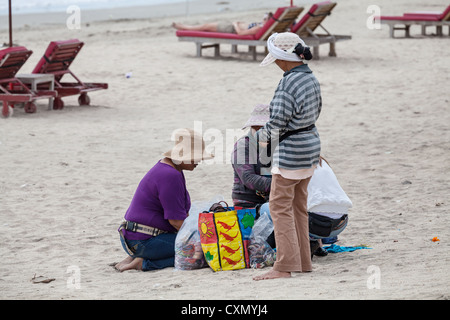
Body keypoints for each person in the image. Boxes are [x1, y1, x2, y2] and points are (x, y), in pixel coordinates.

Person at [252, 32, 321, 281]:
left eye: (277, 60)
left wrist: (260, 140)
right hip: (310, 147)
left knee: (279, 207)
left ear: (283, 58)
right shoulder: (310, 78)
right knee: (299, 207)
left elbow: (278, 122)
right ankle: (303, 261)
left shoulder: (287, 83)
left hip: (291, 152)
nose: (277, 65)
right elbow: (316, 111)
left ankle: (284, 266)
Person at [115, 128, 213, 272]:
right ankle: (143, 263)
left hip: (134, 238)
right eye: (195, 156)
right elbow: (176, 221)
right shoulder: (170, 175)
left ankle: (137, 256)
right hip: (142, 241)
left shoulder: (171, 169)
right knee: (202, 253)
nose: (199, 161)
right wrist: (203, 239)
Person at [231, 104, 272, 209]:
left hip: (272, 198)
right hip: (247, 202)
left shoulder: (274, 143)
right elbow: (248, 179)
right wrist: (283, 184)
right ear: (254, 127)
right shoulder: (243, 146)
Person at [172, 13, 270, 36]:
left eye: (265, 18)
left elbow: (240, 33)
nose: (262, 19)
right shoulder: (261, 25)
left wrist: (236, 24)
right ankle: (185, 27)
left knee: (205, 26)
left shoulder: (259, 28)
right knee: (206, 27)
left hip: (230, 28)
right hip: (229, 27)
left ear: (268, 21)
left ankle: (183, 27)